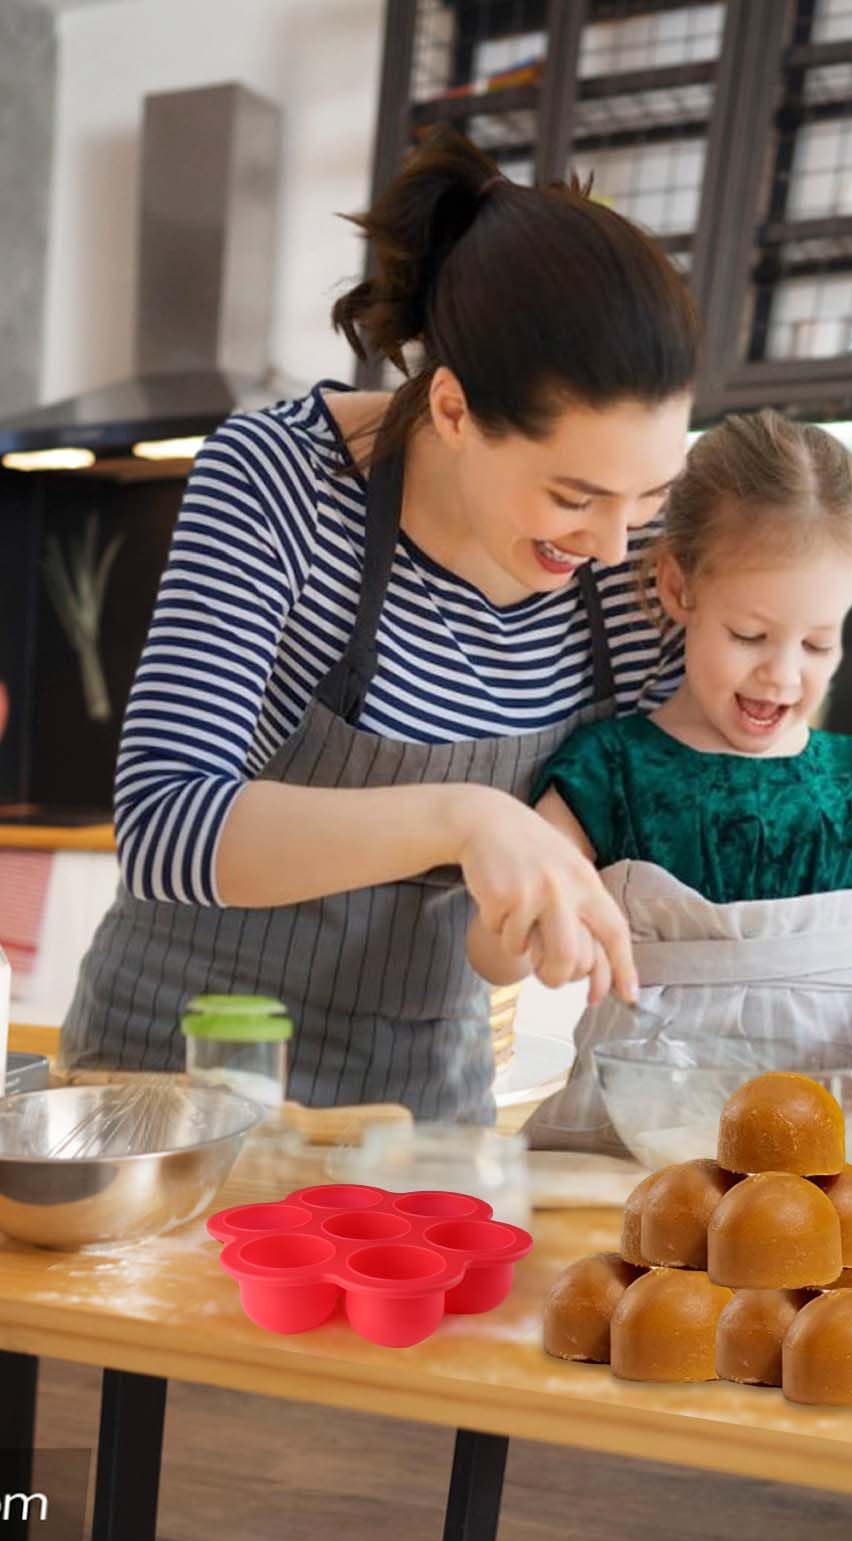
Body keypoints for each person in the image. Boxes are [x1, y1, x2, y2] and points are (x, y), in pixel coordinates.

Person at [59, 126, 701, 1123]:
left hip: (417, 1108)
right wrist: (465, 816)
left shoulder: (623, 576)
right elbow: (163, 826)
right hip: (177, 1076)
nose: (616, 544)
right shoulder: (280, 478)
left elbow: (673, 808)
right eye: (575, 494)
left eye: (648, 494)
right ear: (451, 408)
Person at [469, 411, 852, 1160]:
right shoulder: (609, 771)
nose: (784, 673)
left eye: (819, 642)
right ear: (678, 588)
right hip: (625, 1153)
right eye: (750, 636)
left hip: (815, 1157)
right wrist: (520, 932)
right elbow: (493, 954)